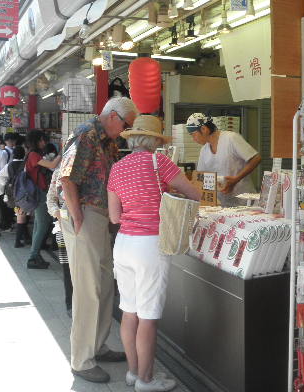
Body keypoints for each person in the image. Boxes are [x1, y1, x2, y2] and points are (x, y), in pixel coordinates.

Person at [108, 115, 200, 392]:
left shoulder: (117, 167)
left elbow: (114, 216)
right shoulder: (159, 162)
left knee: (129, 311)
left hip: (123, 244)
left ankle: (133, 372)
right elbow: (194, 194)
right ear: (154, 141)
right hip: (150, 245)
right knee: (148, 316)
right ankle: (146, 380)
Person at [59, 97, 138, 384]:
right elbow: (67, 178)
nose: (125, 131)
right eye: (126, 125)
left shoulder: (106, 140)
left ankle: (97, 345)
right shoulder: (87, 134)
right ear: (114, 116)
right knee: (88, 288)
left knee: (104, 285)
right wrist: (77, 216)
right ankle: (81, 359)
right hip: (86, 214)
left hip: (99, 216)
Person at [186, 113, 261, 207]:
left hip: (244, 202)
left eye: (193, 135)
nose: (193, 139)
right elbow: (201, 178)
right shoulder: (204, 150)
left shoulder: (231, 138)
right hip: (222, 204)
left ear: (204, 129)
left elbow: (256, 158)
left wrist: (236, 179)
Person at [25, 130, 60, 269]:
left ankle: (35, 255)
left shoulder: (34, 154)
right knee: (43, 225)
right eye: (41, 140)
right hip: (38, 193)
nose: (44, 143)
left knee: (39, 225)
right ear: (35, 141)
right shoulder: (33, 155)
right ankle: (33, 257)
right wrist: (62, 153)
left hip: (38, 192)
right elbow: (52, 165)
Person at [46, 168, 73, 317]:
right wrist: (59, 214)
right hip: (63, 227)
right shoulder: (59, 172)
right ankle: (70, 304)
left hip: (87, 228)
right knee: (68, 269)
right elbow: (50, 199)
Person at [0, 145, 29, 248]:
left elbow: (0, 176)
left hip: (13, 194)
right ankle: (18, 241)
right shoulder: (25, 164)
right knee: (22, 216)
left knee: (20, 214)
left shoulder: (9, 165)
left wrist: (7, 184)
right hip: (24, 193)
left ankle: (25, 237)